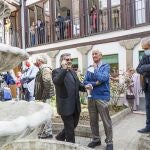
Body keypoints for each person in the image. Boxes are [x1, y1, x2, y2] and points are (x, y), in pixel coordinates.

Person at [52, 53, 86, 143]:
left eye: (71, 59)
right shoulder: (56, 71)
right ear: (62, 61)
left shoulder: (73, 72)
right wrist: (64, 69)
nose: (70, 61)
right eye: (67, 59)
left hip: (75, 105)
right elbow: (57, 82)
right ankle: (71, 146)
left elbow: (78, 84)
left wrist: (86, 87)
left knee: (73, 124)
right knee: (70, 129)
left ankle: (60, 136)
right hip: (65, 105)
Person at [84, 50, 113, 150]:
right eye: (92, 54)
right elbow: (85, 81)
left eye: (96, 53)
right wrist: (95, 83)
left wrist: (95, 70)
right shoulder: (89, 68)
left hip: (102, 97)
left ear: (101, 55)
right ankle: (96, 139)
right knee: (93, 120)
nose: (94, 55)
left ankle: (109, 142)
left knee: (106, 120)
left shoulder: (106, 66)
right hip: (91, 96)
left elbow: (103, 78)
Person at [34, 55, 55, 139]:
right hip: (44, 95)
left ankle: (48, 132)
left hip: (45, 95)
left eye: (36, 60)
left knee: (46, 113)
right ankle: (44, 131)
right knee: (44, 113)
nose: (35, 62)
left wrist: (45, 94)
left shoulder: (45, 69)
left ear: (40, 61)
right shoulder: (43, 68)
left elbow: (47, 81)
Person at [136, 37, 150, 133]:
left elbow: (142, 68)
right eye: (144, 49)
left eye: (146, 48)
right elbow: (138, 69)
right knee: (148, 106)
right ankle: (148, 126)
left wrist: (144, 69)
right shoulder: (145, 56)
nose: (145, 51)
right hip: (147, 85)